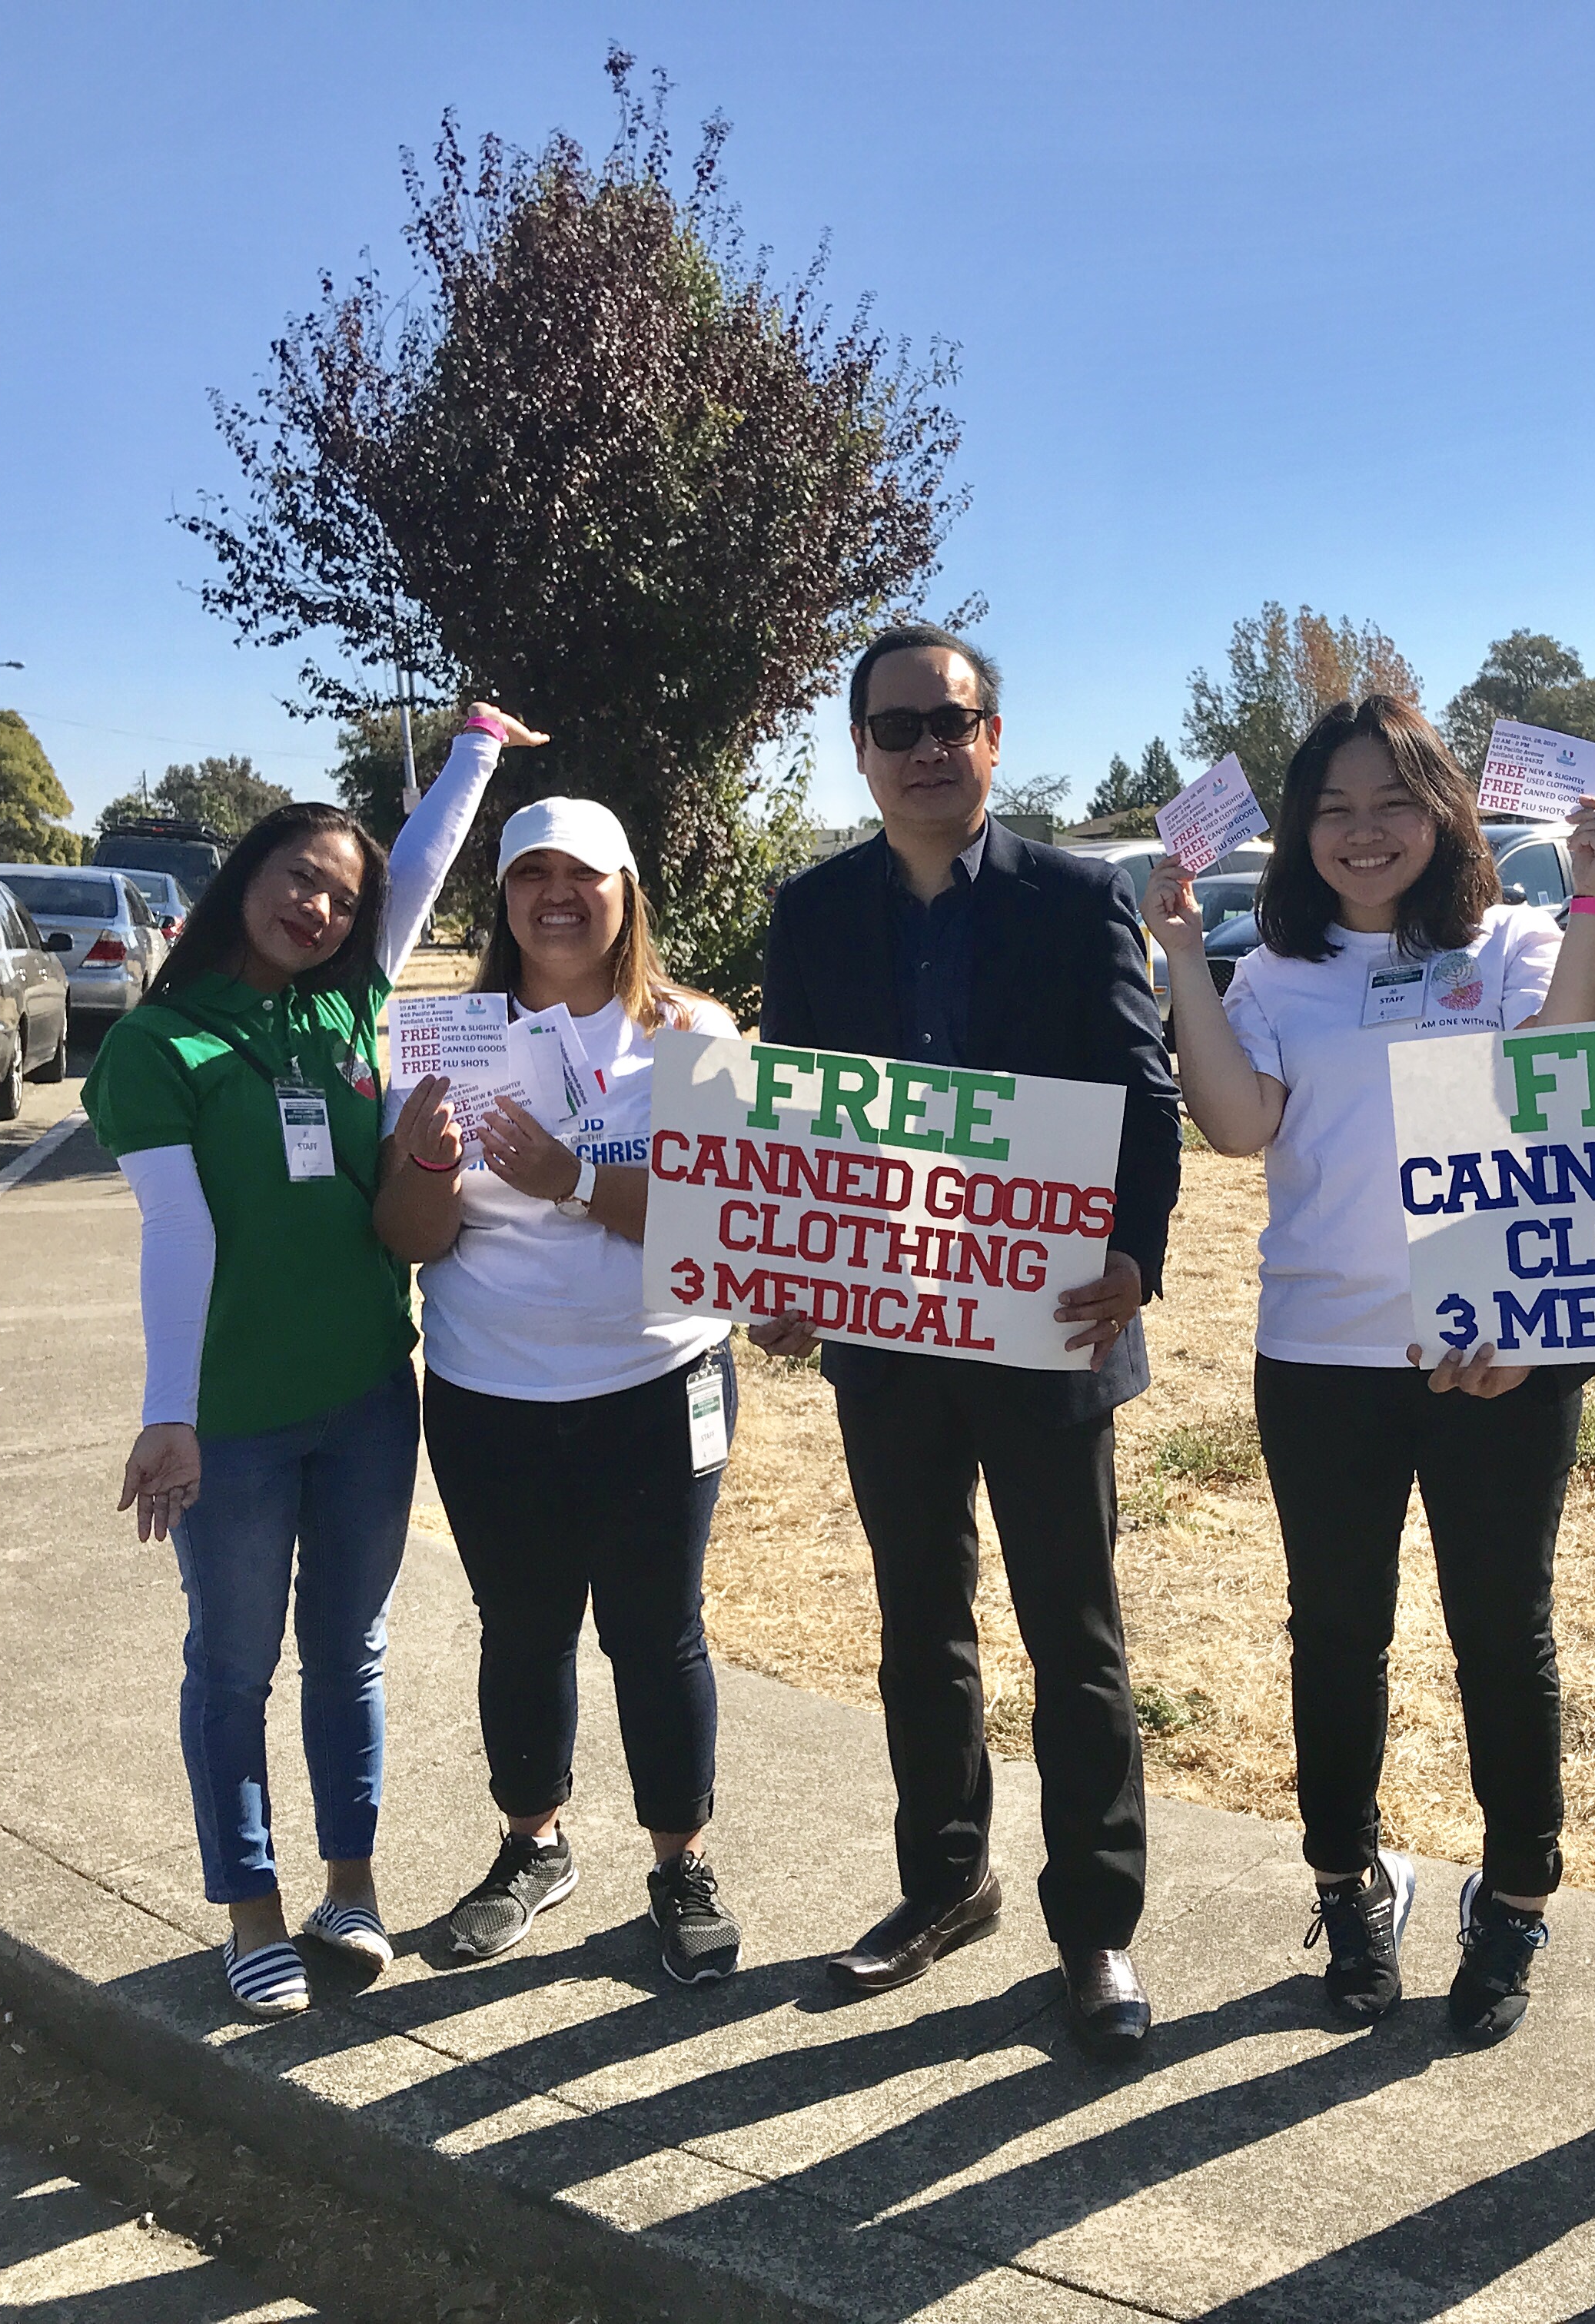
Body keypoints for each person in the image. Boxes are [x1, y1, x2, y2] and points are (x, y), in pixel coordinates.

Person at [1146, 696, 1595, 2042]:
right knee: (1336, 1632)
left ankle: (1515, 1899)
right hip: (1320, 1355)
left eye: (1394, 803)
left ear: (1446, 812)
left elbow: (1572, 1083)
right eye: (1335, 809)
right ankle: (1351, 1884)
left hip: (1496, 1348)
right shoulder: (1274, 973)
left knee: (1503, 1634)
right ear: (1300, 830)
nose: (1364, 832)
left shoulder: (1517, 942)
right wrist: (1181, 953)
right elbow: (1236, 1128)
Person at [753, 623, 1183, 2056]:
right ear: (861, 752)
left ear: (993, 737)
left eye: (952, 722)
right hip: (889, 1340)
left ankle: (1097, 1925)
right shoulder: (812, 912)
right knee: (918, 1624)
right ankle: (945, 1883)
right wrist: (787, 1267)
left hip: (1048, 1321)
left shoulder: (1080, 896)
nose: (928, 749)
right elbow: (795, 1111)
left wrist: (1135, 1251)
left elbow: (1142, 1092)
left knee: (1075, 1632)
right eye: (899, 728)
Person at [90, 704, 529, 2019]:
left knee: (351, 1652)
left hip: (366, 1399)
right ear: (248, 877)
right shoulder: (160, 1046)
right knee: (233, 1666)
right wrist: (169, 1413)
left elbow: (422, 866)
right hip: (231, 1421)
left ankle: (352, 1891)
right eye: (300, 880)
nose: (322, 910)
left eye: (343, 899)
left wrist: (476, 750)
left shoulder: (347, 1006)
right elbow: (177, 1234)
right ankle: (252, 1911)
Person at [374, 792, 746, 1987]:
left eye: (583, 874)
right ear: (502, 899)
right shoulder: (450, 1036)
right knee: (523, 1628)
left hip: (659, 1381)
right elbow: (410, 1237)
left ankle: (681, 1862)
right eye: (531, 875)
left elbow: (723, 1227)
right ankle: (530, 1846)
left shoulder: (693, 1033)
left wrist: (573, 1179)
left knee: (658, 1631)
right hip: (489, 1394)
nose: (557, 897)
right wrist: (431, 1161)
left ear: (626, 893)